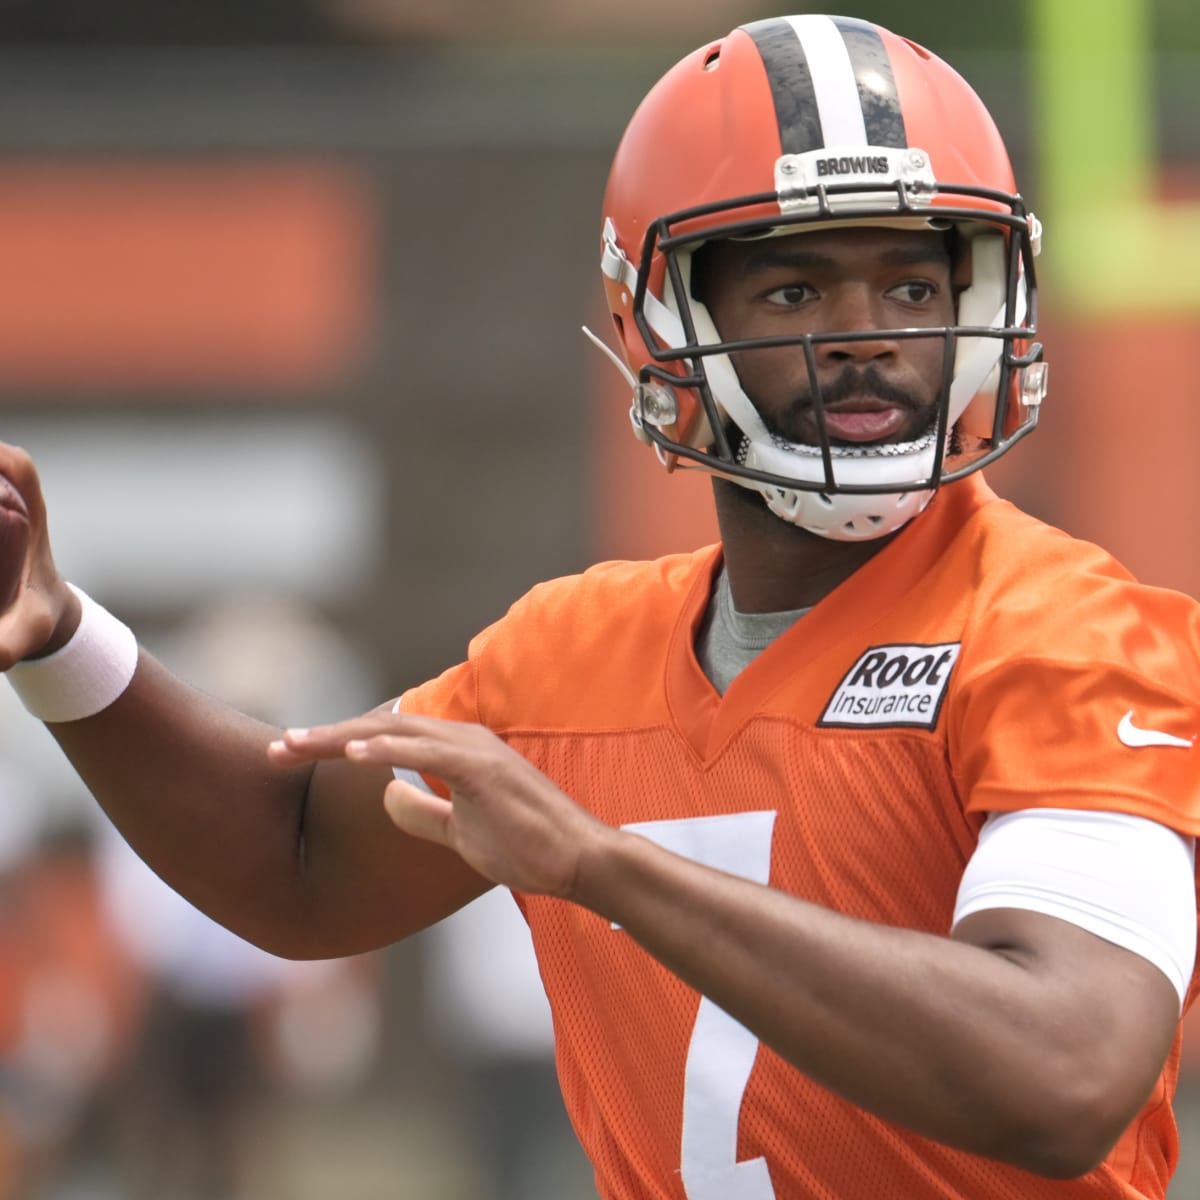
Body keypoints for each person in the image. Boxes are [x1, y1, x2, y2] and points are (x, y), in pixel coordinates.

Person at [0, 13, 1197, 1199]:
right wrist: (56, 636)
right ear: (670, 321)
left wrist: (602, 867)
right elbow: (301, 856)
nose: (865, 339)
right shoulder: (572, 654)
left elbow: (1067, 1071)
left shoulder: (1069, 633)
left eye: (907, 280)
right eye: (792, 292)